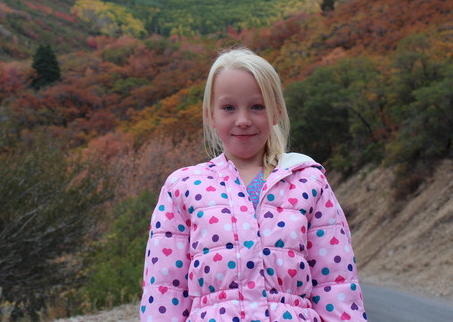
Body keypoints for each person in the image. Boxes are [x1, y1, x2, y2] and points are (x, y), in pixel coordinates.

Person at [140, 47, 366, 321]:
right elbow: (164, 290)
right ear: (210, 115)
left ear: (276, 113)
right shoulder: (183, 187)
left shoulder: (309, 182)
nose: (243, 120)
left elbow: (336, 283)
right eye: (228, 108)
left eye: (257, 107)